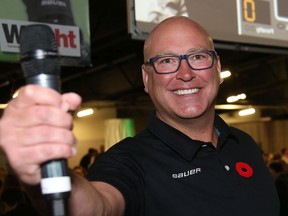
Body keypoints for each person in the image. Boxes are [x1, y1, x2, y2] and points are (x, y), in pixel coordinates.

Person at [0, 16, 279, 215]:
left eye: (197, 57)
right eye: (167, 61)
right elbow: (100, 205)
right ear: (146, 79)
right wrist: (45, 175)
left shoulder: (244, 143)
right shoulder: (127, 163)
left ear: (217, 66)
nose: (185, 74)